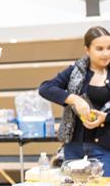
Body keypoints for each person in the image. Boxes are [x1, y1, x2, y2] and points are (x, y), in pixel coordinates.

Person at [39, 26, 110, 176]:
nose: (106, 53)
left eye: (109, 48)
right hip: (73, 147)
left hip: (105, 148)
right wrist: (73, 99)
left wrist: (106, 118)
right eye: (99, 48)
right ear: (87, 50)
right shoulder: (75, 71)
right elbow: (45, 88)